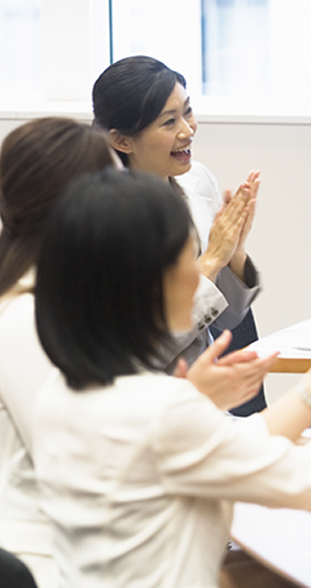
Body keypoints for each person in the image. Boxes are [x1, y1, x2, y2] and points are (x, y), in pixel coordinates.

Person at [0, 119, 274, 588]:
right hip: (44, 558)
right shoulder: (23, 320)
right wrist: (193, 402)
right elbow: (100, 457)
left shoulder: (51, 297)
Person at [32, 169, 311, 588]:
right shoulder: (163, 412)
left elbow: (236, 451)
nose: (199, 273)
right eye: (190, 255)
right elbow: (295, 483)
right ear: (150, 279)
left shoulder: (59, 391)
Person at [92, 56, 260, 372]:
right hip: (146, 399)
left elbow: (228, 318)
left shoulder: (197, 180)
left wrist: (234, 253)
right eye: (169, 122)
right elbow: (144, 350)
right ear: (122, 140)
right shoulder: (107, 219)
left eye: (188, 111)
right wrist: (210, 261)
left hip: (204, 391)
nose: (188, 130)